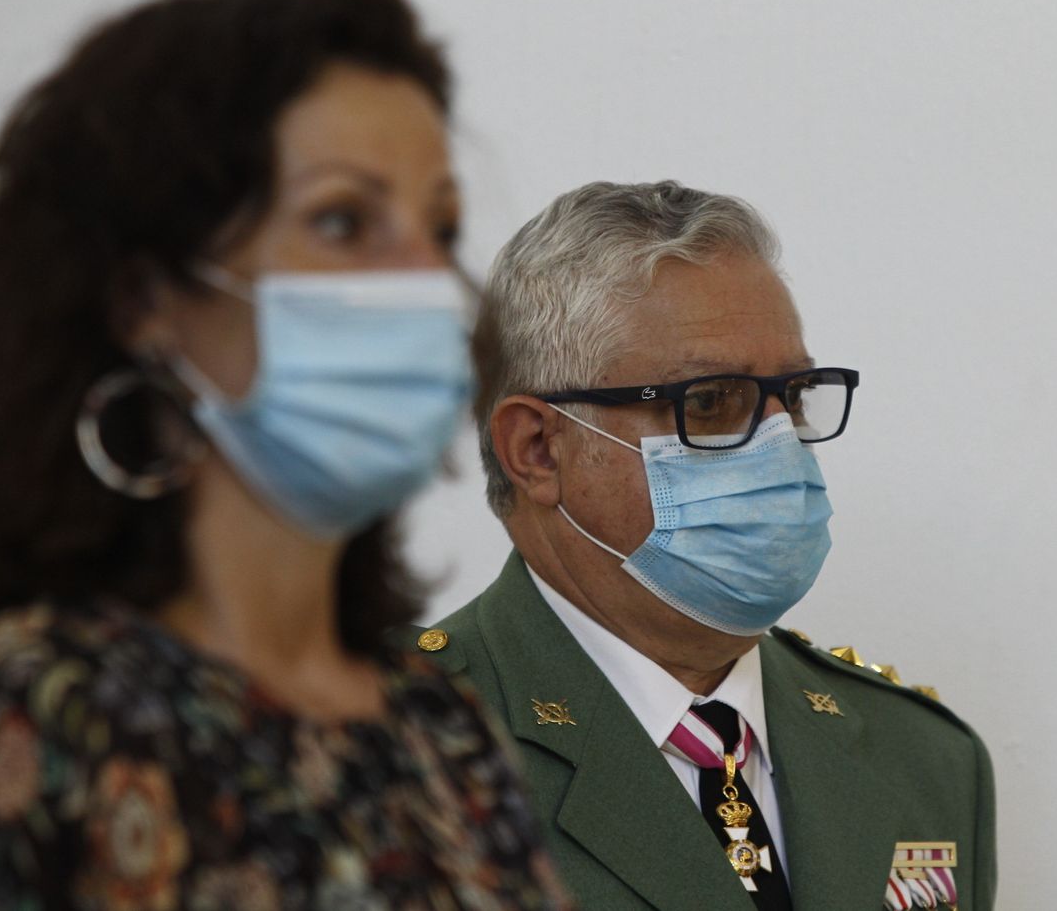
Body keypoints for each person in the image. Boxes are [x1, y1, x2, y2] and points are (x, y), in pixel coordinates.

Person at [0, 0, 570, 910]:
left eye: (441, 226)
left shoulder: (442, 723)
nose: (427, 279)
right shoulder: (47, 708)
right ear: (148, 299)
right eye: (344, 220)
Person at [411, 181, 996, 910]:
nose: (782, 444)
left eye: (797, 393)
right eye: (713, 401)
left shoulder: (924, 759)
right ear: (537, 449)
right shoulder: (387, 762)